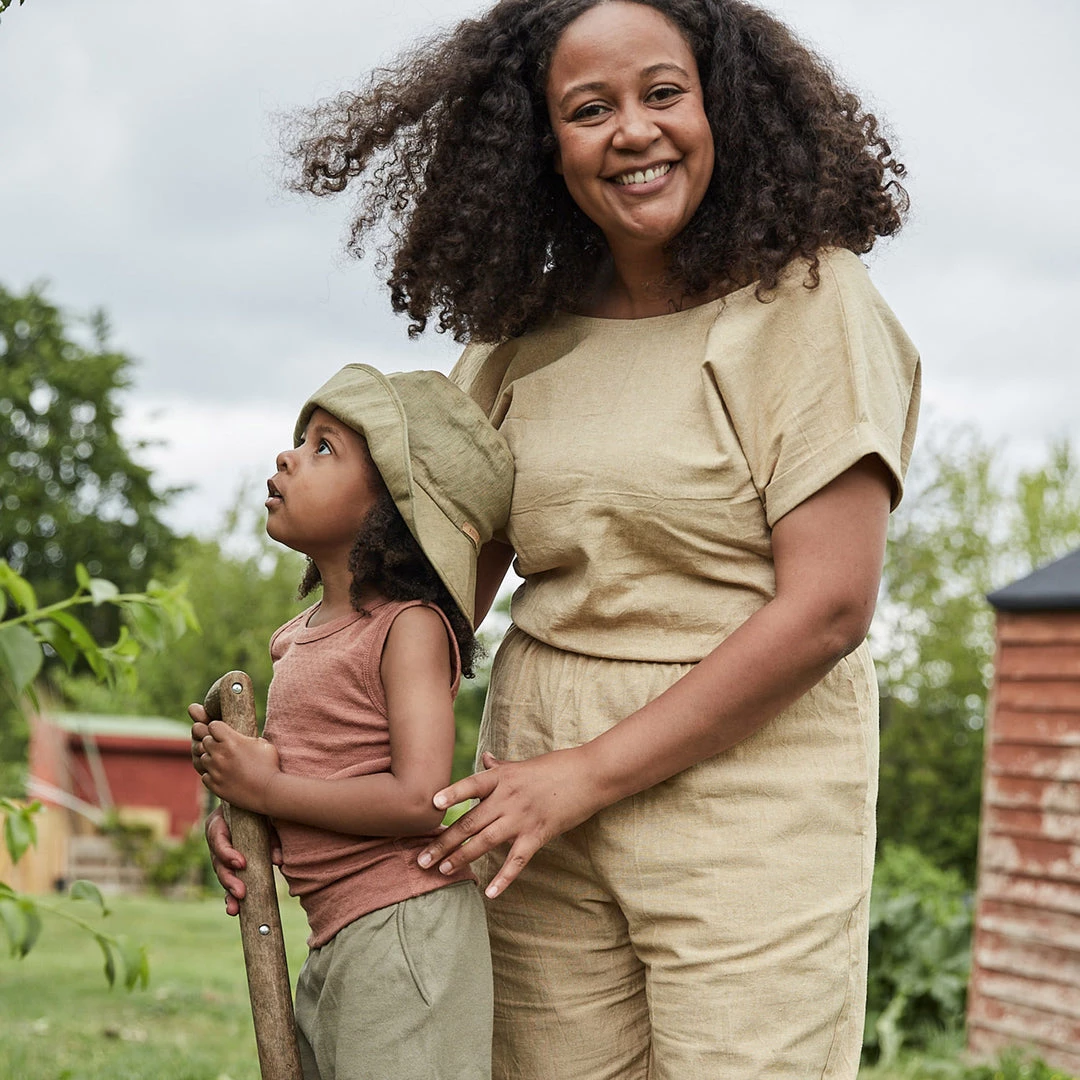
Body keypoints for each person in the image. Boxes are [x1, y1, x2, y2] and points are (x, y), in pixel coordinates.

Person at [207, 1, 921, 1076]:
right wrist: (274, 796)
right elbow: (416, 596)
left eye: (662, 93)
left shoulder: (811, 303)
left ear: (720, 102)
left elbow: (828, 608)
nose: (633, 130)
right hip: (530, 795)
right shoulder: (517, 337)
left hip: (750, 797)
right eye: (590, 109)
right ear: (546, 146)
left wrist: (585, 776)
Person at [190, 363, 514, 1080]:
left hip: (406, 935)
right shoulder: (296, 637)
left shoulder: (410, 629)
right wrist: (245, 813)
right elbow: (311, 777)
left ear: (395, 507)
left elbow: (419, 799)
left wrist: (269, 793)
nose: (288, 457)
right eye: (300, 440)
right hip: (337, 935)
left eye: (324, 448)